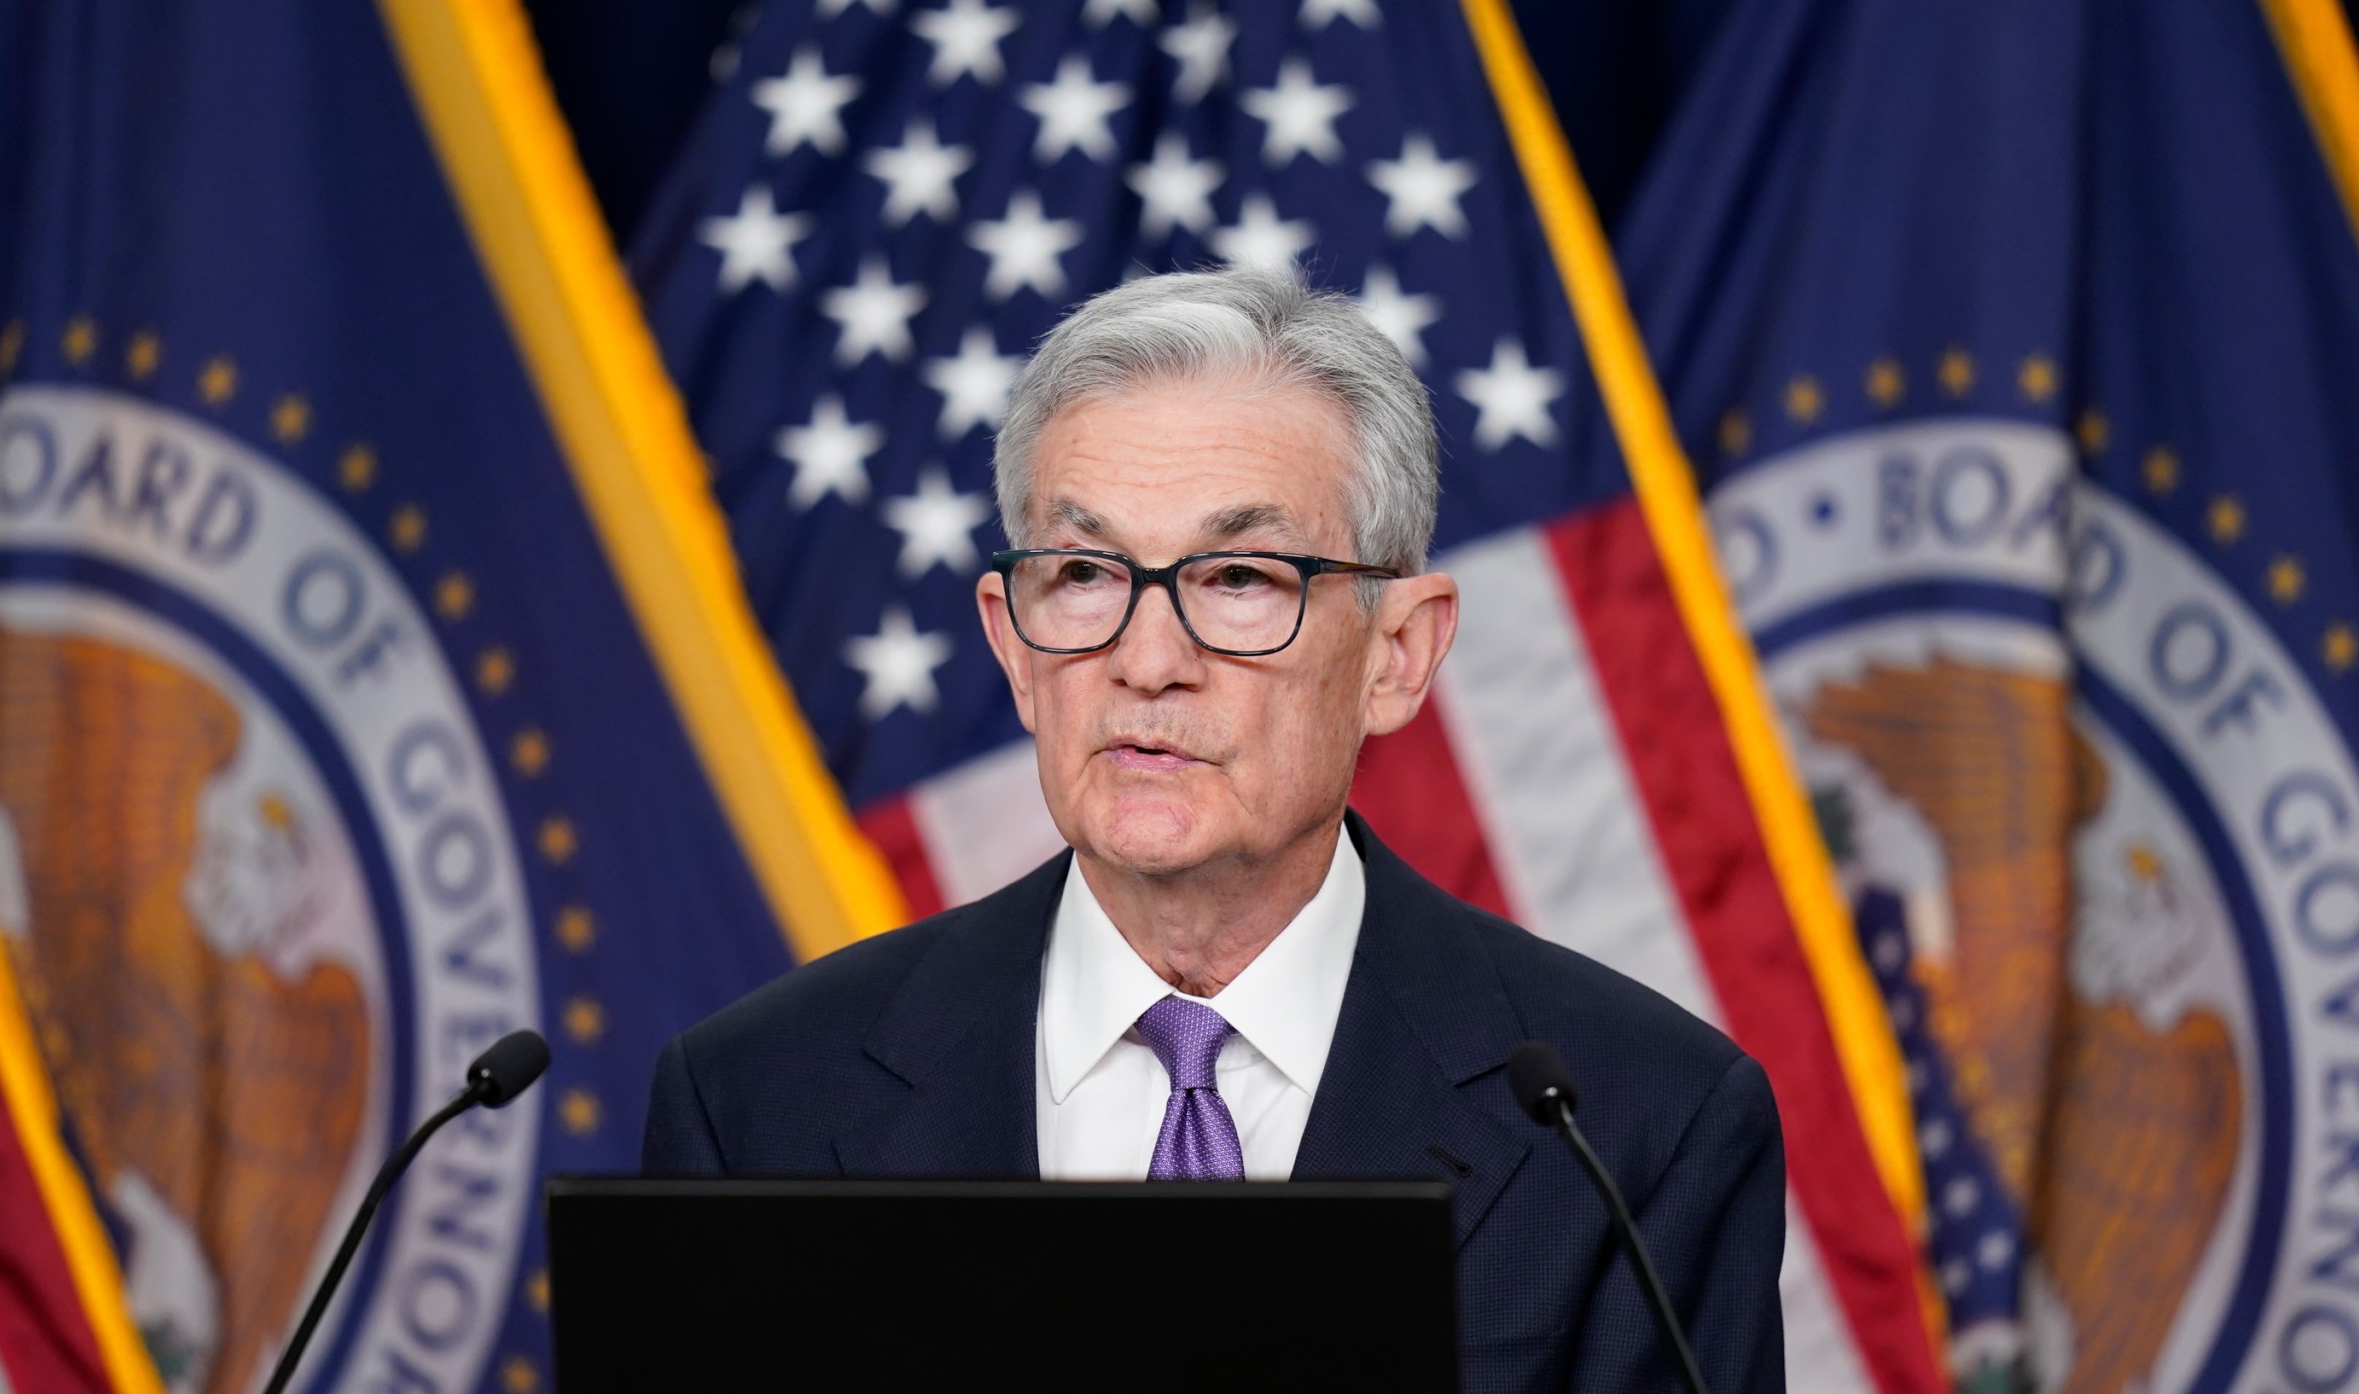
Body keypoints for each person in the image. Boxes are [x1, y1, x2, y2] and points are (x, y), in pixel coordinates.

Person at [644, 266, 1786, 1391]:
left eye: (1239, 576)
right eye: (1086, 573)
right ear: (1011, 644)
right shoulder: (758, 1101)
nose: (1146, 662)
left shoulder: (1639, 1125)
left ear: (1398, 654)